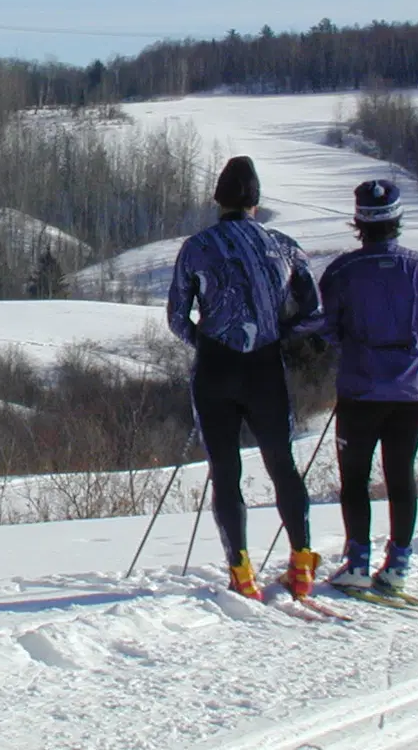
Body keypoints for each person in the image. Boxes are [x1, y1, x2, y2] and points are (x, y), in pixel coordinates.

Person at [168, 156, 324, 600]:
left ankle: (241, 571)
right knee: (282, 466)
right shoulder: (285, 246)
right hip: (266, 368)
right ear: (256, 200)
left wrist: (209, 342)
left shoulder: (197, 247)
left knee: (225, 471)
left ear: (218, 199)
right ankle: (301, 564)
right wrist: (279, 335)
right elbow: (312, 312)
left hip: (215, 368)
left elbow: (178, 318)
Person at [320, 179, 418, 592]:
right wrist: (414, 345)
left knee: (355, 478)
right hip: (411, 389)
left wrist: (352, 345)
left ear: (358, 222)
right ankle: (398, 564)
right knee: (400, 475)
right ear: (396, 219)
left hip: (360, 388)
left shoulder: (342, 271)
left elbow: (327, 326)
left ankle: (357, 562)